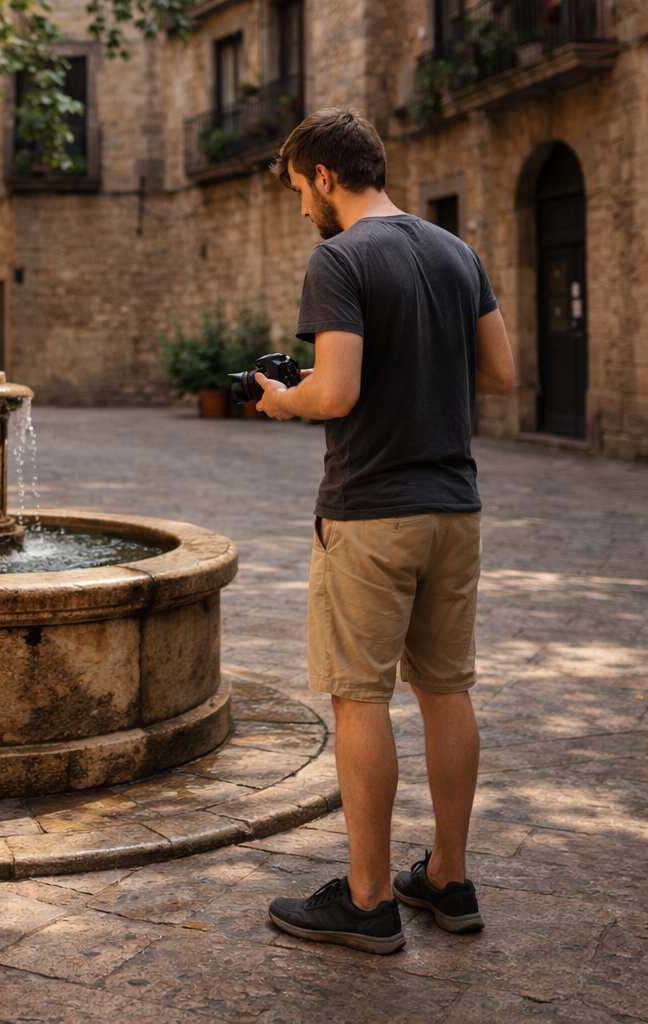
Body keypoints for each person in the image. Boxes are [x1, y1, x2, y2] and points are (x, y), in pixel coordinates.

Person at [255, 109, 514, 956]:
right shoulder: (456, 252)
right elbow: (503, 374)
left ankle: (367, 901)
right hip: (455, 507)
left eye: (300, 190)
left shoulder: (339, 257)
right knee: (447, 688)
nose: (301, 209)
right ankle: (448, 874)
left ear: (326, 177)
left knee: (359, 694)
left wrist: (277, 397)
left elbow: (334, 393)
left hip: (371, 511)